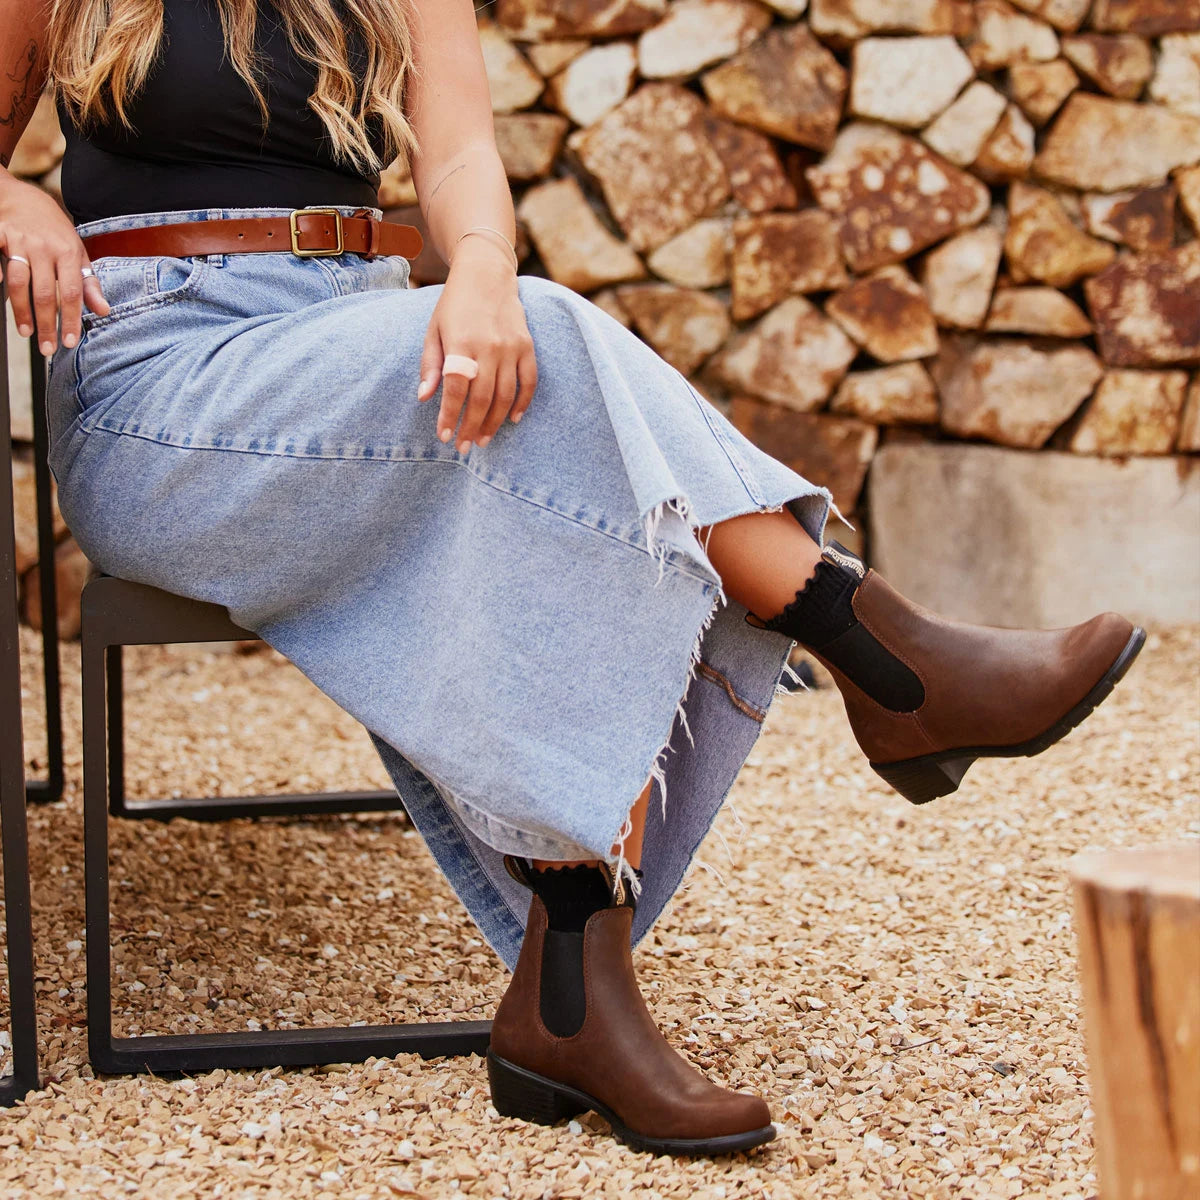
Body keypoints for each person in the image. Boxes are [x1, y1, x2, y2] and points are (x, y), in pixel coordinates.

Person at [0, 0, 1143, 1157]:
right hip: (162, 378)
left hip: (351, 335)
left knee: (525, 379)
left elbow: (455, 154)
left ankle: (573, 984)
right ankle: (877, 651)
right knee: (540, 374)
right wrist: (17, 196)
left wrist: (484, 269)